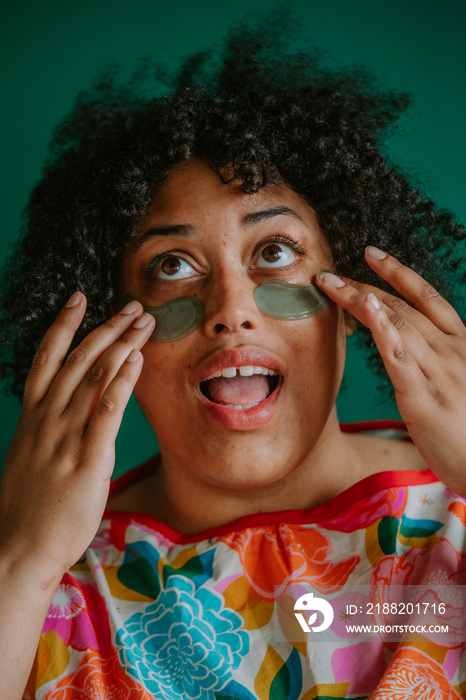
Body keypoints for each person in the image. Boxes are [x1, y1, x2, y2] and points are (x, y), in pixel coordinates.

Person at [0, 21, 465, 700]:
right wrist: (21, 561)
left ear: (353, 300)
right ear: (107, 327)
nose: (231, 307)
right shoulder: (48, 574)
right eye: (173, 265)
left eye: (275, 251)